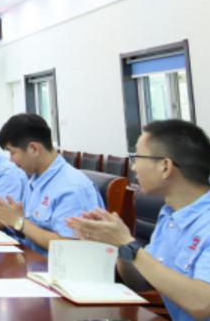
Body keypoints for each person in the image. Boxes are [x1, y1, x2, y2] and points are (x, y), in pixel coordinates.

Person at [65, 120, 210, 321]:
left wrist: (128, 244)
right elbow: (140, 282)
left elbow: (201, 304)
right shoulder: (170, 214)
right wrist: (117, 245)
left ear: (165, 166)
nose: (133, 167)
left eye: (137, 158)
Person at [0, 113, 103, 255]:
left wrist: (19, 222)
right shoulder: (34, 181)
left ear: (34, 148)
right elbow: (31, 234)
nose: (10, 160)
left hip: (57, 268)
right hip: (32, 262)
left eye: (12, 152)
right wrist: (12, 221)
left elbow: (68, 247)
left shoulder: (71, 187)